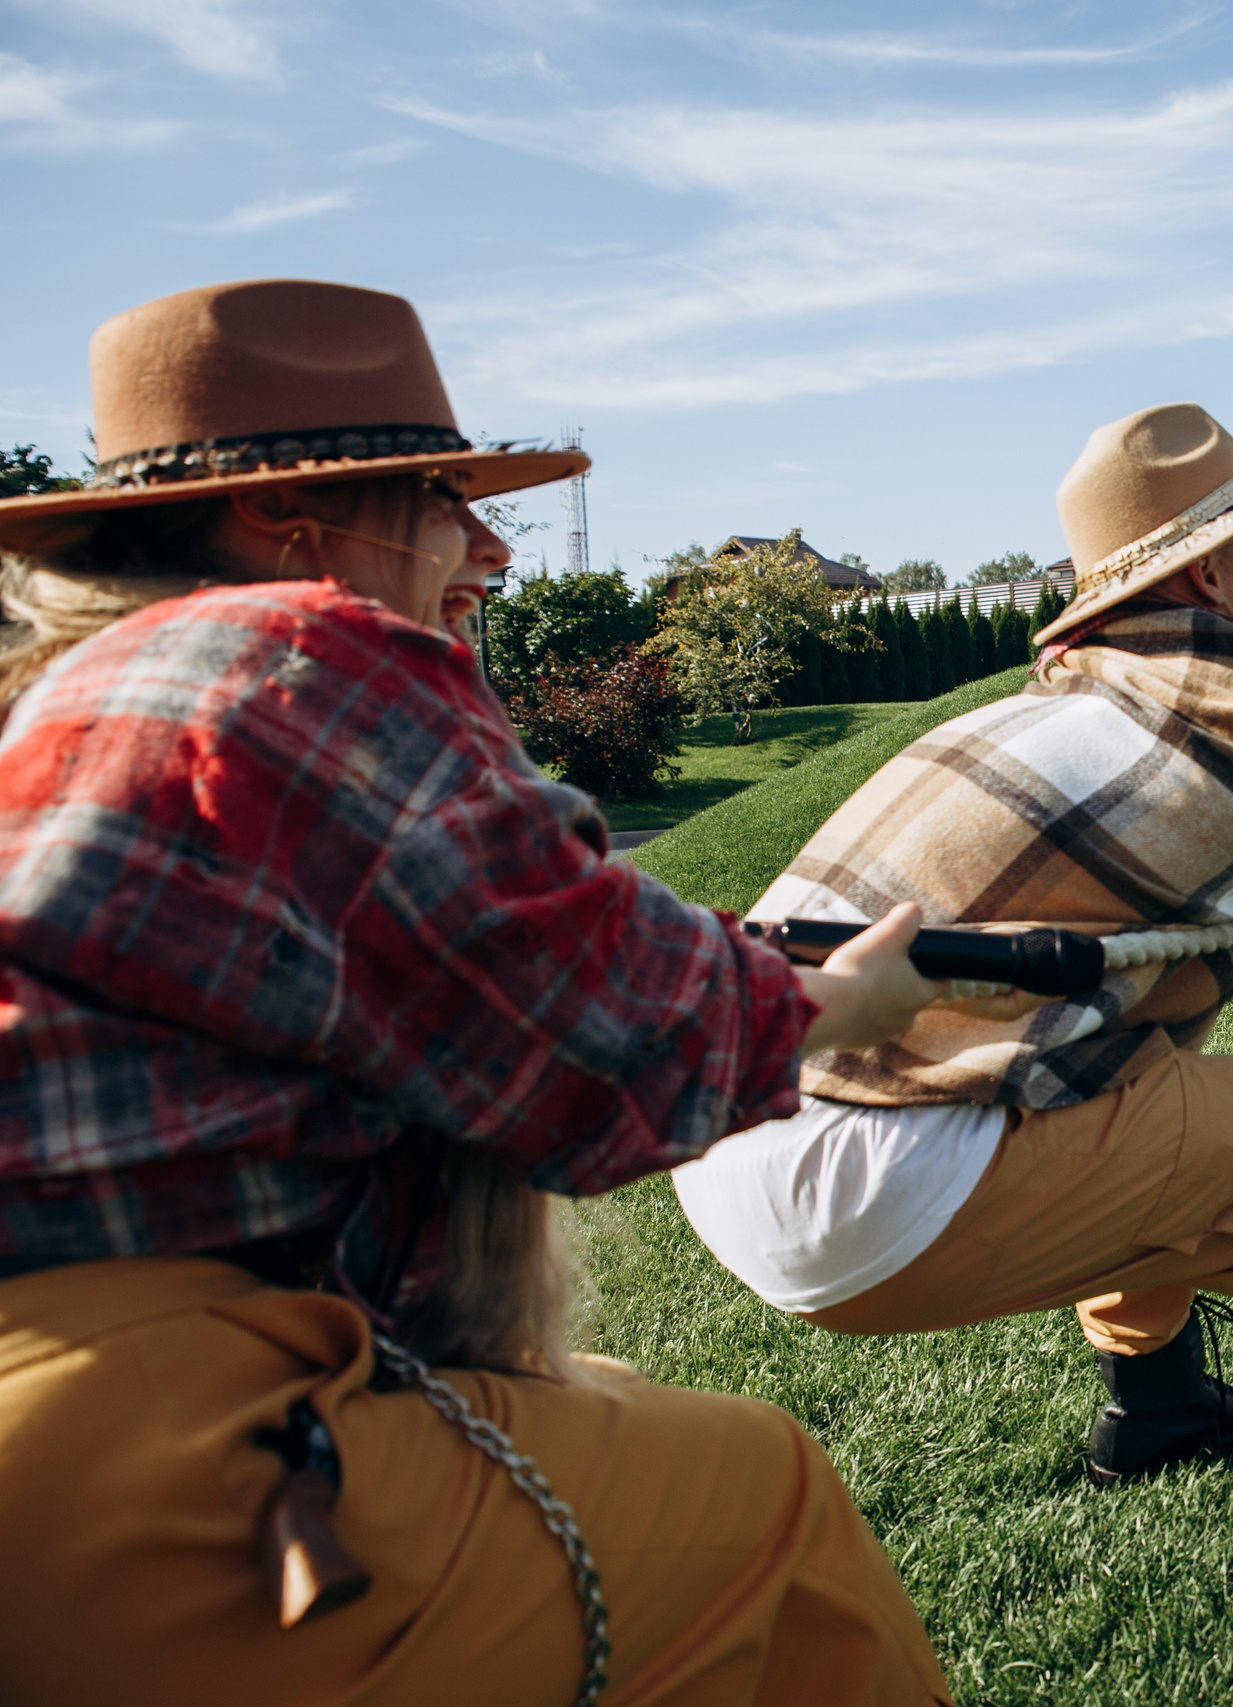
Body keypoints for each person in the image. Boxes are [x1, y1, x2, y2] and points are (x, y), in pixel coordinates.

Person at [0, 280, 955, 1705]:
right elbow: (606, 1052)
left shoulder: (76, 689)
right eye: (443, 492)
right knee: (767, 1499)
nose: (490, 544)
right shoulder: (303, 651)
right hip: (142, 1443)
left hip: (82, 1411)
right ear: (288, 516)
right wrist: (834, 1010)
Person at [670, 403, 1233, 1579]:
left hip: (737, 1147)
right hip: (872, 1184)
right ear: (1209, 575)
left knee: (1139, 1087)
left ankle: (1153, 1408)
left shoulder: (1043, 711)